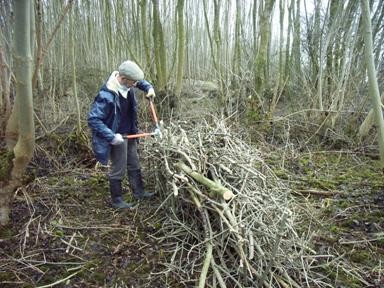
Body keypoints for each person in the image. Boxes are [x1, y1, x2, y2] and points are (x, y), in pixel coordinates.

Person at [88, 60, 155, 209]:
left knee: (134, 162)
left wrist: (149, 88)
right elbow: (93, 119)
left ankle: (139, 192)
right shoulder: (106, 95)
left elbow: (140, 82)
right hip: (117, 136)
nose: (134, 85)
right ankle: (117, 200)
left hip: (130, 131)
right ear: (123, 79)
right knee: (119, 167)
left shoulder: (127, 82)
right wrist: (111, 136)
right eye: (133, 82)